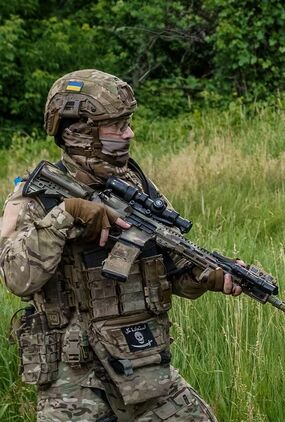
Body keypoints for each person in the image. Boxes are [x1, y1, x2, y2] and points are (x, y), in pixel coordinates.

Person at [0, 69, 243, 421]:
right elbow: (17, 277)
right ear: (80, 131)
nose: (129, 133)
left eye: (127, 123)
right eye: (117, 126)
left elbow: (171, 270)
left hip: (140, 363)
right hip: (73, 381)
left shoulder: (136, 186)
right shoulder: (36, 196)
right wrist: (67, 215)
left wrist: (208, 277)